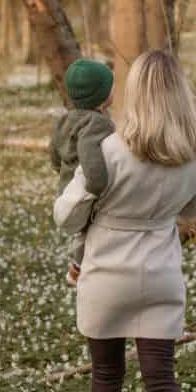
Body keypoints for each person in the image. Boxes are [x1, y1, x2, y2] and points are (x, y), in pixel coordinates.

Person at [53, 50, 196, 392]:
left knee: (106, 374)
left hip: (106, 274)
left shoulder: (107, 151)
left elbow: (66, 215)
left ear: (134, 94)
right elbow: (195, 207)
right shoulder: (194, 155)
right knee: (161, 378)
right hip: (160, 273)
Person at [50, 58, 116, 284]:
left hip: (67, 187)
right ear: (102, 96)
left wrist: (62, 171)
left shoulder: (64, 121)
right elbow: (89, 154)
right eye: (110, 86)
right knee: (90, 231)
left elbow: (54, 156)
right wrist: (99, 185)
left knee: (84, 233)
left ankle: (79, 266)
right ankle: (78, 268)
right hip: (87, 191)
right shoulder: (97, 124)